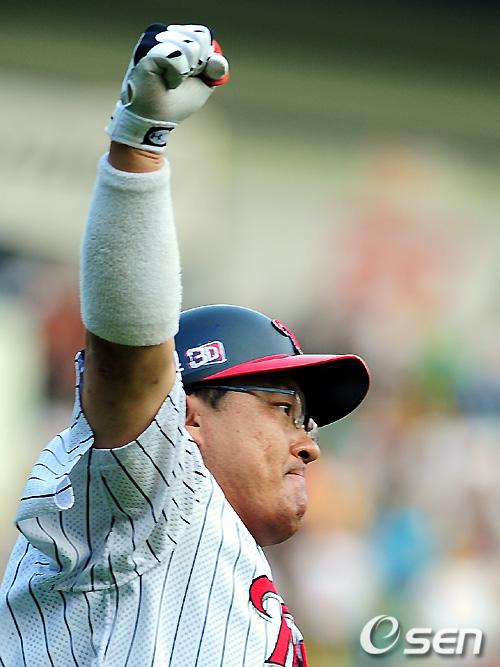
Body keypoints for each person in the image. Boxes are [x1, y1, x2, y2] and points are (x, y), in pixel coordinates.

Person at [0, 23, 369, 667]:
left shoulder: (210, 558)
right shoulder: (151, 500)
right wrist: (140, 141)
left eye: (305, 420)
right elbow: (129, 353)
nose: (309, 444)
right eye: (283, 408)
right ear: (186, 417)